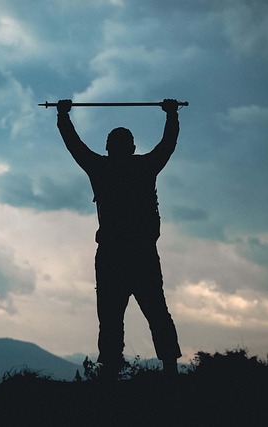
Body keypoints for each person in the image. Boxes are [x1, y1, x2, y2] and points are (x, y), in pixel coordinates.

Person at [56, 98, 182, 379]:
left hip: (113, 255)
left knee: (111, 319)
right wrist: (171, 114)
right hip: (142, 254)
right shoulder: (146, 167)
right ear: (132, 148)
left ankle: (111, 371)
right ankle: (170, 370)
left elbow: (74, 145)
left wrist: (63, 116)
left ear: (108, 148)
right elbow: (167, 144)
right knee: (156, 312)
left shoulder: (100, 168)